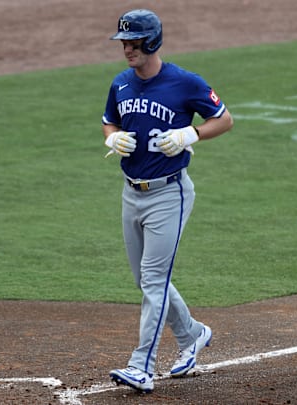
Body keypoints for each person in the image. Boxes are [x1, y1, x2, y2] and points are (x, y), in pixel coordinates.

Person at [101, 9, 234, 393]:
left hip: (169, 193)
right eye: (124, 41)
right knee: (146, 280)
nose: (127, 48)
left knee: (154, 281)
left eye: (134, 41)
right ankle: (192, 334)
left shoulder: (184, 82)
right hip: (131, 193)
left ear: (152, 41)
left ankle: (141, 366)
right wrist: (111, 138)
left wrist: (190, 135)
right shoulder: (121, 84)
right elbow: (109, 120)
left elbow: (224, 119)